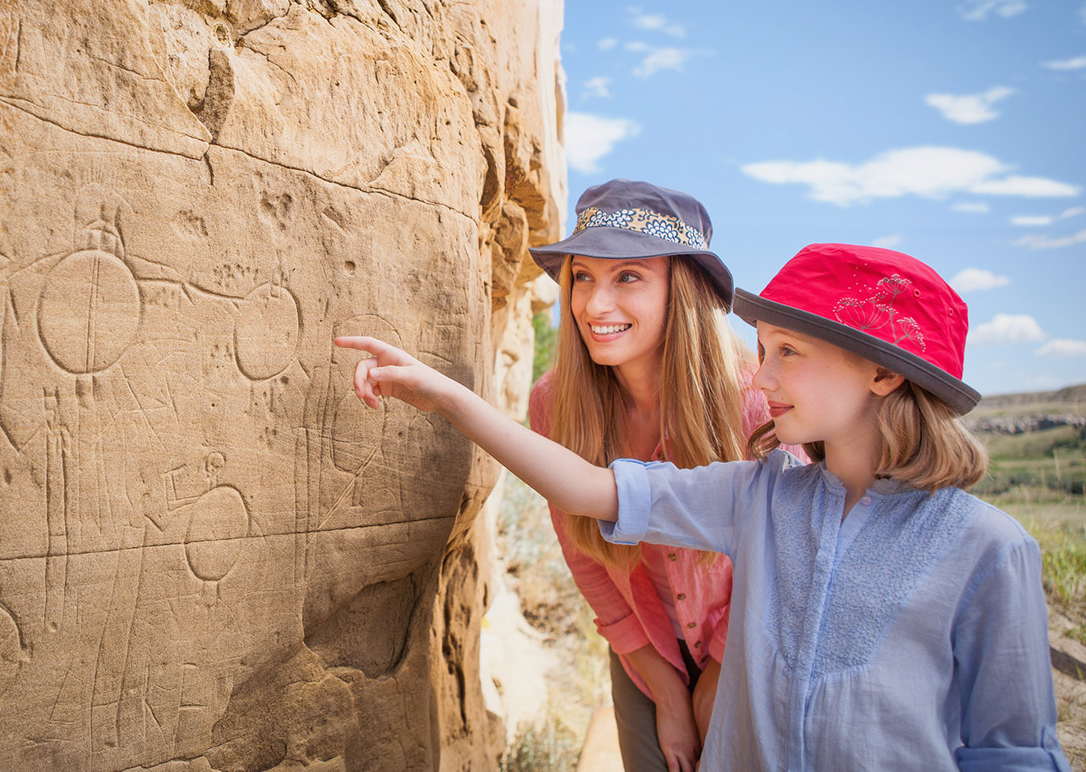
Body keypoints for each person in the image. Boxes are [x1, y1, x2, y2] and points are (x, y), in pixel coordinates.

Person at [336, 242, 1070, 772]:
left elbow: (1013, 751)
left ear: (882, 372)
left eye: (790, 353)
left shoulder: (989, 550)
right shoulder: (759, 495)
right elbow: (587, 488)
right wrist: (444, 395)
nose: (765, 372)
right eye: (765, 349)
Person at [522, 178, 793, 772]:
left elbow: (782, 560)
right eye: (583, 276)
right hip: (643, 655)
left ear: (683, 290)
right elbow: (583, 555)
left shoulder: (755, 403)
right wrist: (667, 690)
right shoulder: (555, 404)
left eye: (628, 277)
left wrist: (718, 671)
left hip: (755, 648)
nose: (595, 305)